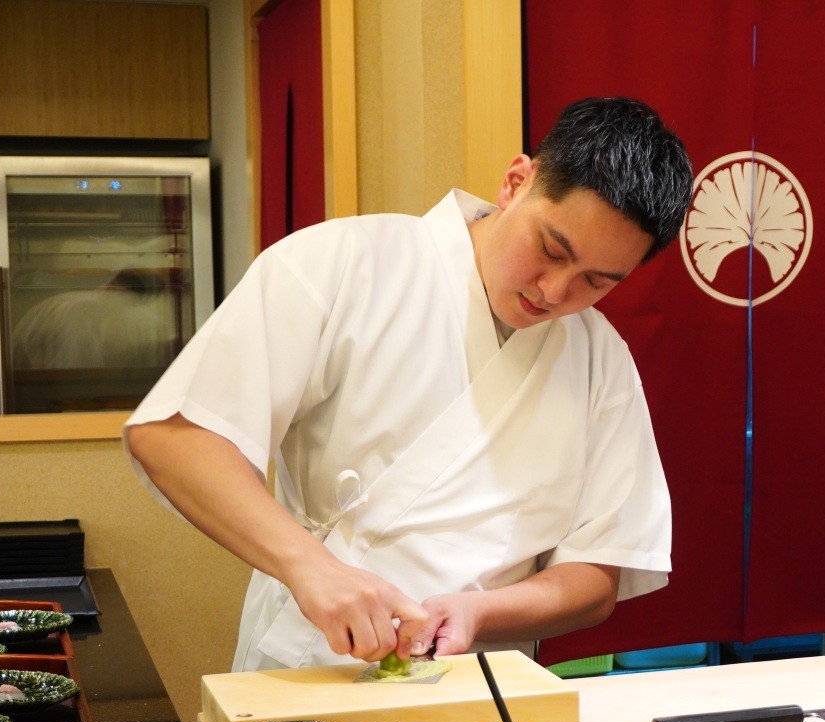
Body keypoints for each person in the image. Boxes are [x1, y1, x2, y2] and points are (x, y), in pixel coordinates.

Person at [124, 97, 694, 672]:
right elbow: (176, 437)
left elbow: (597, 573)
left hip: (481, 681)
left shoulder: (600, 359)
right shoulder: (345, 262)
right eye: (550, 249)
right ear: (516, 182)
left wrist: (478, 613)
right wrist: (309, 568)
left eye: (596, 281)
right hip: (311, 666)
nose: (553, 291)